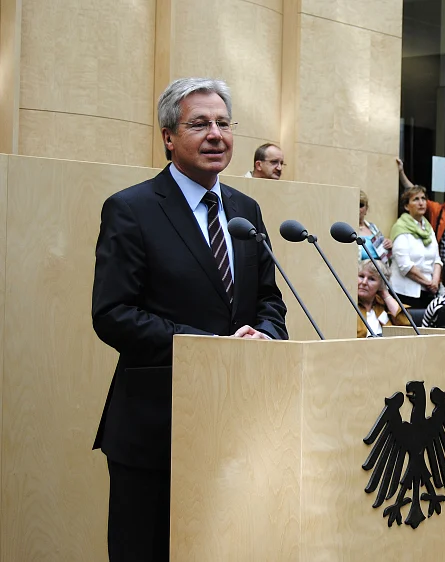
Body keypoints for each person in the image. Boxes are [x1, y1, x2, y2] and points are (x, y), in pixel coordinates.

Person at [91, 77, 289, 561]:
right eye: (199, 124)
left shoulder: (246, 210)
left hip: (239, 426)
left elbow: (270, 299)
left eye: (223, 123)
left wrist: (264, 334)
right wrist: (208, 347)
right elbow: (113, 314)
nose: (215, 134)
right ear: (167, 137)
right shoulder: (132, 209)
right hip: (156, 428)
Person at [389, 186, 443, 308]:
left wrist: (435, 282)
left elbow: (437, 260)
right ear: (407, 206)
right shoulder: (400, 227)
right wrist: (428, 283)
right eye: (416, 199)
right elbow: (405, 266)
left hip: (429, 292)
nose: (421, 203)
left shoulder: (428, 228)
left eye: (423, 199)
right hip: (405, 292)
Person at [356, 259, 410, 337]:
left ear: (381, 285)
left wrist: (385, 293)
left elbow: (405, 325)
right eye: (361, 276)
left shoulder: (383, 305)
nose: (364, 282)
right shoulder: (348, 304)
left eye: (371, 279)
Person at [358, 190, 392, 263]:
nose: (357, 209)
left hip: (380, 270)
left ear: (366, 209)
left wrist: (388, 245)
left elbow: (386, 255)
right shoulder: (347, 230)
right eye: (353, 205)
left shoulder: (372, 227)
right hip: (360, 272)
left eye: (360, 205)